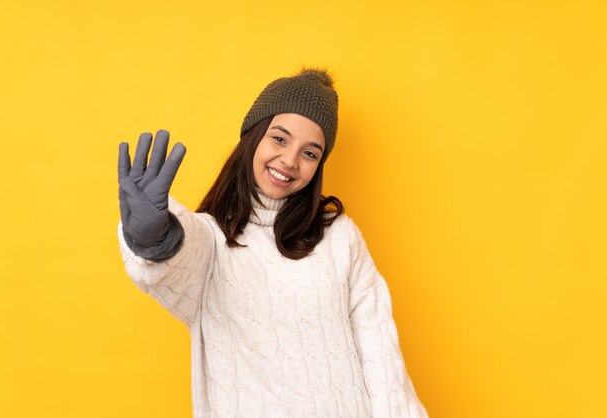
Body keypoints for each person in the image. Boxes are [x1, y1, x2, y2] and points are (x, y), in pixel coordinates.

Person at [116, 68, 428, 417]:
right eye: (280, 139)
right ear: (253, 136)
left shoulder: (339, 237)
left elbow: (381, 356)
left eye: (310, 153)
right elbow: (180, 260)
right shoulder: (213, 240)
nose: (290, 161)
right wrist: (157, 238)